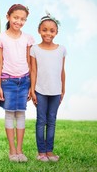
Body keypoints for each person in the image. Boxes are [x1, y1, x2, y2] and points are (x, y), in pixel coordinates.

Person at [0, 4, 34, 162]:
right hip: (7, 80)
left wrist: (32, 85)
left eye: (23, 19)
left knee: (21, 114)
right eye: (16, 17)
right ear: (8, 17)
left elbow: (30, 62)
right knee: (10, 114)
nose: (19, 21)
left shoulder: (28, 38)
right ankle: (12, 151)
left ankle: (20, 150)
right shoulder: (1, 37)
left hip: (24, 80)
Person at [30, 13, 66, 162]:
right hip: (40, 90)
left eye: (52, 31)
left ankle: (49, 151)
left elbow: (62, 70)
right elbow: (33, 70)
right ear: (39, 30)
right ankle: (41, 152)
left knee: (52, 121)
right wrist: (32, 90)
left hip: (56, 91)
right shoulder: (34, 49)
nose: (48, 33)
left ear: (56, 32)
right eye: (45, 30)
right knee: (41, 121)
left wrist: (63, 89)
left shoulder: (61, 49)